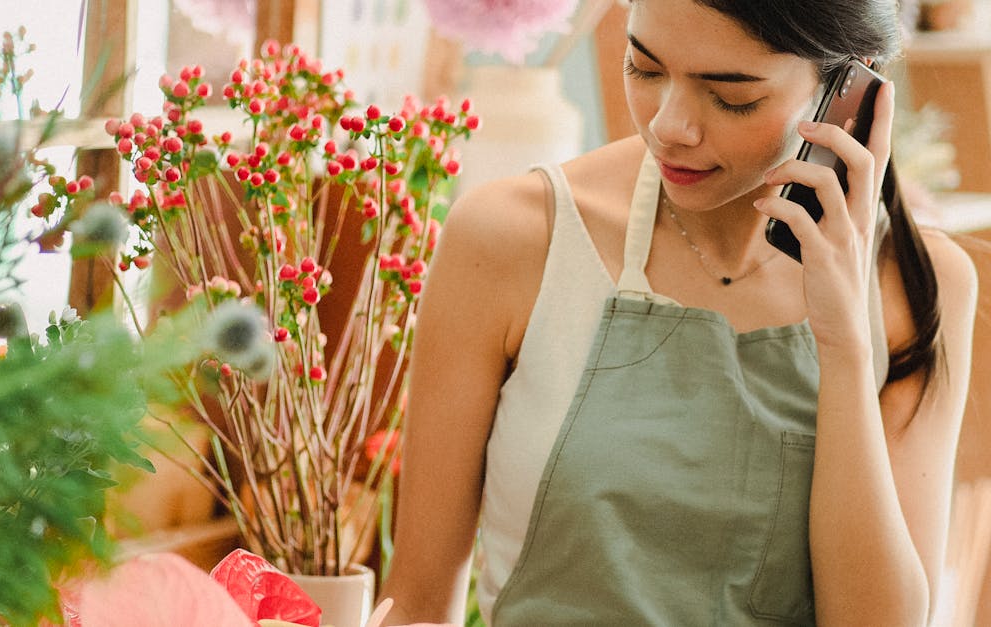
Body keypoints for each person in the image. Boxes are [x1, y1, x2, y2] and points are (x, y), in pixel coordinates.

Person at [378, 0, 978, 625]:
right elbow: (416, 602)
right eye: (644, 67)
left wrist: (844, 342)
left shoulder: (919, 285)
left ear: (852, 87)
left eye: (732, 97)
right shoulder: (511, 238)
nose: (669, 127)